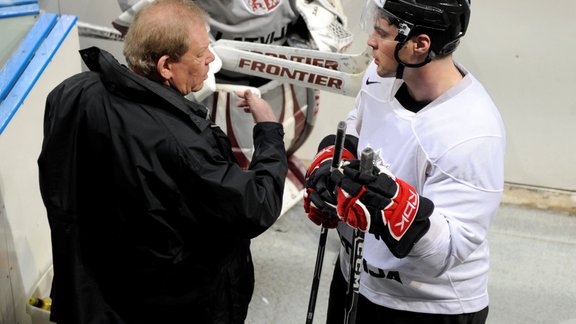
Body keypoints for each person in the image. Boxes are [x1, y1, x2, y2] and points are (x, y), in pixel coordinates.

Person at [38, 0, 288, 323]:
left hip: (95, 300)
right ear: (166, 66)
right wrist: (268, 131)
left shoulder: (71, 93)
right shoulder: (184, 143)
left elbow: (58, 182)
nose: (212, 59)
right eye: (200, 54)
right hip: (171, 307)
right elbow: (258, 205)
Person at [303, 0, 506, 323]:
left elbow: (449, 250)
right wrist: (335, 163)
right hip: (354, 278)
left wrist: (397, 211)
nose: (370, 40)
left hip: (425, 306)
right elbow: (359, 126)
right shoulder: (380, 74)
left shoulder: (473, 131)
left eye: (382, 33)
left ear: (419, 45)